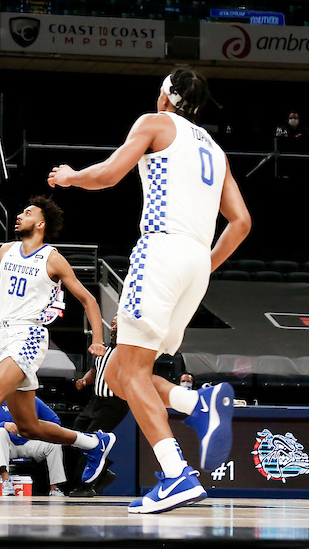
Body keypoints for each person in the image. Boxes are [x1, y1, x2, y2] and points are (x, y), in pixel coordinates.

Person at [47, 68, 252, 514]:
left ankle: (176, 474)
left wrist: (70, 176)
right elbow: (241, 223)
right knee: (120, 374)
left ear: (166, 96)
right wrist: (203, 267)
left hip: (160, 248)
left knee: (132, 373)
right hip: (196, 260)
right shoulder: (217, 151)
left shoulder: (154, 122)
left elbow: (108, 175)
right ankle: (196, 404)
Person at [0, 196, 110, 503]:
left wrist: (97, 338)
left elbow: (89, 300)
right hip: (7, 335)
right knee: (28, 426)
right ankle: (93, 444)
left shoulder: (52, 258)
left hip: (29, 335)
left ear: (40, 224)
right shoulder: (6, 251)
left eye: (27, 213)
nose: (19, 215)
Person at [69, 316, 129, 497]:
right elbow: (94, 370)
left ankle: (84, 485)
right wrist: (84, 381)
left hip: (114, 402)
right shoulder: (104, 349)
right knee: (76, 435)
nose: (112, 326)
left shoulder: (127, 352)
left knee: (92, 439)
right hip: (95, 401)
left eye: (115, 323)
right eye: (111, 324)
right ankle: (102, 473)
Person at [0, 399, 67, 497]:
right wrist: (3, 424)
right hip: (7, 446)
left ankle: (54, 489)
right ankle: (6, 481)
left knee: (54, 444)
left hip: (29, 443)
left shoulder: (33, 400)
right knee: (0, 431)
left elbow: (55, 421)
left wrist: (36, 430)